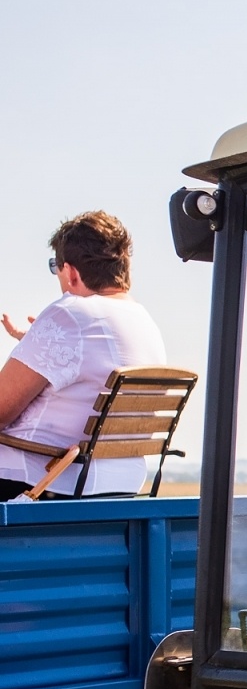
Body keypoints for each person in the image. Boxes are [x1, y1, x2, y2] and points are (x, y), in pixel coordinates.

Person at [0, 211, 166, 499]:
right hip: (119, 486)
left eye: (57, 268)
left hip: (41, 483)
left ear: (72, 272)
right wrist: (37, 345)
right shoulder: (145, 323)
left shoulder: (70, 314)